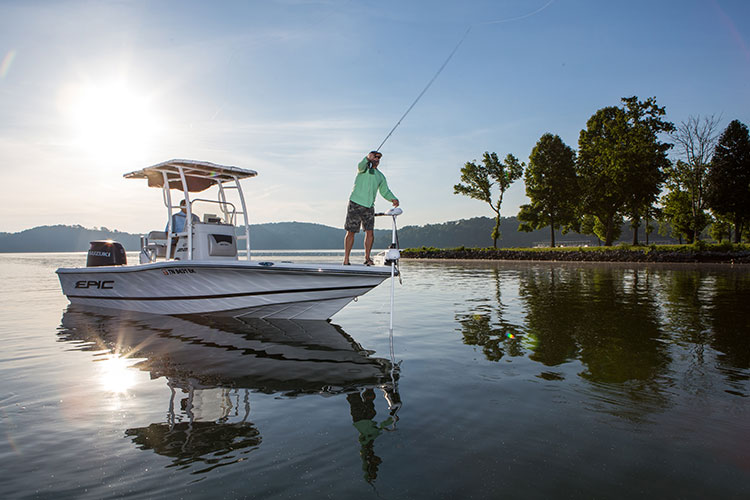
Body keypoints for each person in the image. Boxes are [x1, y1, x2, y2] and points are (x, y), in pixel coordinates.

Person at [343, 151, 399, 265]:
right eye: (375, 157)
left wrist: (393, 199)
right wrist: (367, 158)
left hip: (369, 206)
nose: (377, 160)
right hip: (355, 203)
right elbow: (360, 165)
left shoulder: (380, 176)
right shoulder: (363, 169)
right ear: (370, 157)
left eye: (378, 158)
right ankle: (346, 259)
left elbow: (385, 191)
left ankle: (367, 258)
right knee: (351, 232)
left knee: (370, 233)